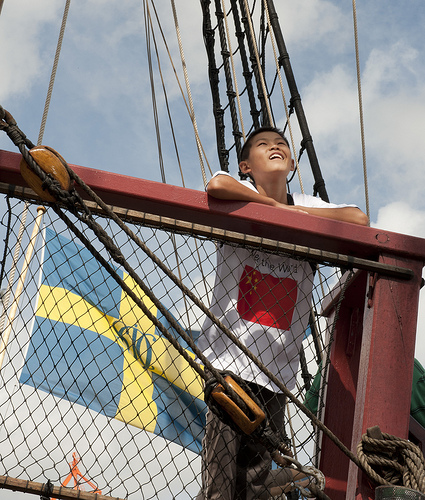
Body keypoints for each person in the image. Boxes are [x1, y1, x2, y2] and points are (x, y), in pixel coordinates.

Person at [196, 126, 369, 500]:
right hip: (229, 362)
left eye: (281, 145)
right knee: (222, 478)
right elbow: (216, 185)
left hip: (276, 373)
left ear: (291, 163)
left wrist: (294, 211)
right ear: (246, 166)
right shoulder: (239, 191)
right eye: (262, 145)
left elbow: (358, 219)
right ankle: (293, 478)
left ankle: (291, 479)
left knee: (256, 479)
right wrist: (277, 209)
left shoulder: (306, 202)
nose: (275, 147)